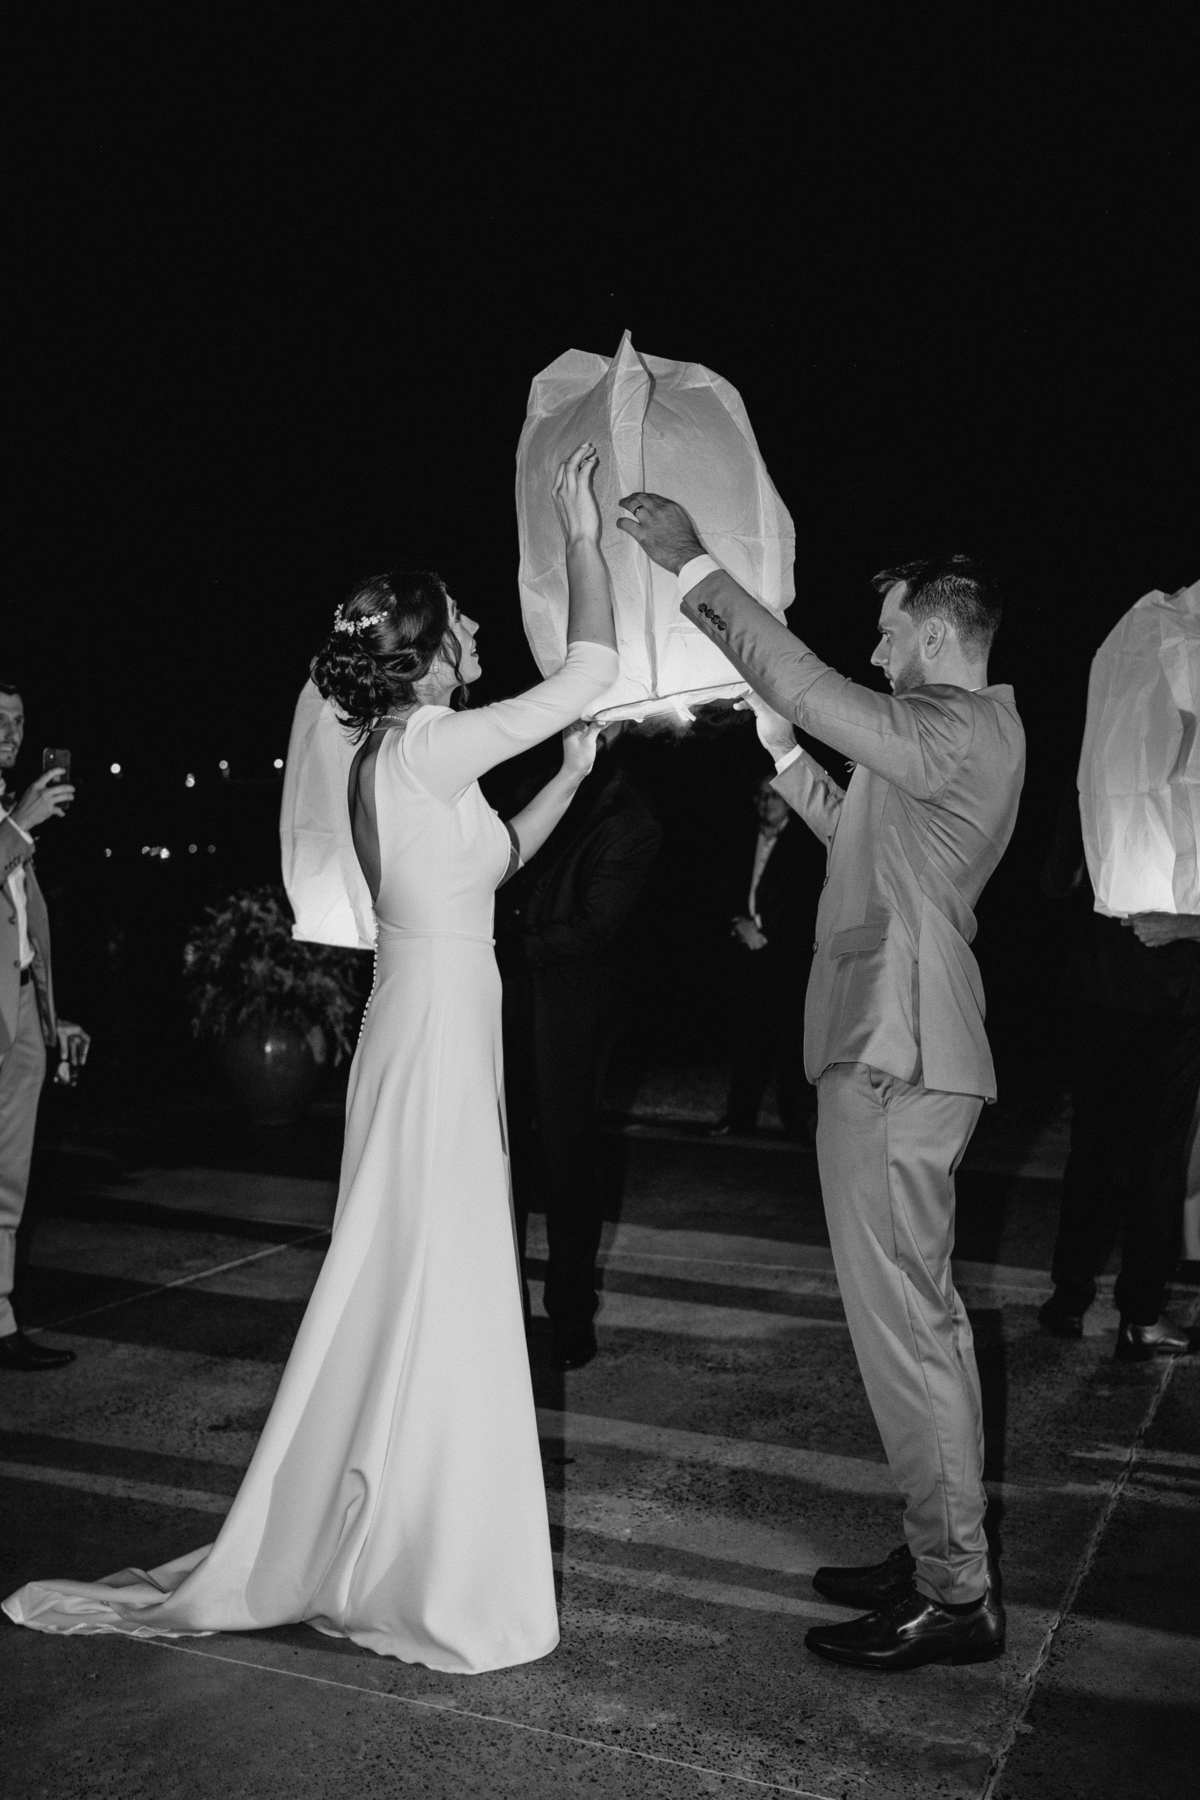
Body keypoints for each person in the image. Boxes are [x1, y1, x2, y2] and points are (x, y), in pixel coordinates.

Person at [3, 444, 619, 1673]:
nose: (484, 626)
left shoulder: (406, 754)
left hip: (431, 1020)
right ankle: (424, 1551)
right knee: (436, 1270)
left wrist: (572, 769)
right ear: (429, 647)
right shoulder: (429, 743)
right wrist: (584, 528)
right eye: (468, 620)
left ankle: (389, 1521)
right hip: (436, 1028)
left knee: (417, 1270)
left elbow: (490, 868)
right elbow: (595, 664)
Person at [617, 493, 1023, 1674]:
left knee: (909, 1329)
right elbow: (857, 830)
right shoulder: (942, 740)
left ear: (941, 634)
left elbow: (805, 678)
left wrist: (696, 565)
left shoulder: (956, 724)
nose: (879, 648)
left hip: (898, 1054)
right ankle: (937, 1547)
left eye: (892, 629)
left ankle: (955, 1594)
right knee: (914, 1323)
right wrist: (788, 754)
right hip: (892, 1045)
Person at [496, 726, 661, 1369]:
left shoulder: (633, 817)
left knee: (568, 1168)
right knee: (498, 1161)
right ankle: (497, 1306)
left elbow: (595, 926)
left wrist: (503, 946)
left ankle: (569, 1313)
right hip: (503, 1002)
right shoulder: (526, 777)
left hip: (569, 1014)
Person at [1039, 778, 1200, 1356]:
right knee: (1148, 1157)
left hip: (1125, 983)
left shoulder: (1101, 762)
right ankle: (1135, 1311)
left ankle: (1073, 1298)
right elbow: (1058, 876)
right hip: (1160, 990)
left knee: (1099, 1150)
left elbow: (1057, 879)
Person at [0, 683, 90, 1373]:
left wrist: (55, 1022)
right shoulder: (15, 819)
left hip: (21, 1016)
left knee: (10, 1179)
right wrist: (20, 829)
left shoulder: (9, 804)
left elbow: (26, 931)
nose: (9, 730)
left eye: (18, 719)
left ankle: (0, 1321)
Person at [714, 775, 822, 1139]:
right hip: (745, 953)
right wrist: (738, 923)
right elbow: (725, 886)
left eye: (773, 795)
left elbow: (805, 898)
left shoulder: (807, 843)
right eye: (760, 795)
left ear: (790, 799)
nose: (766, 802)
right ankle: (738, 1118)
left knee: (790, 1039)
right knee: (745, 1037)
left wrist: (761, 927)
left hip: (786, 957)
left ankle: (796, 1121)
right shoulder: (742, 839)